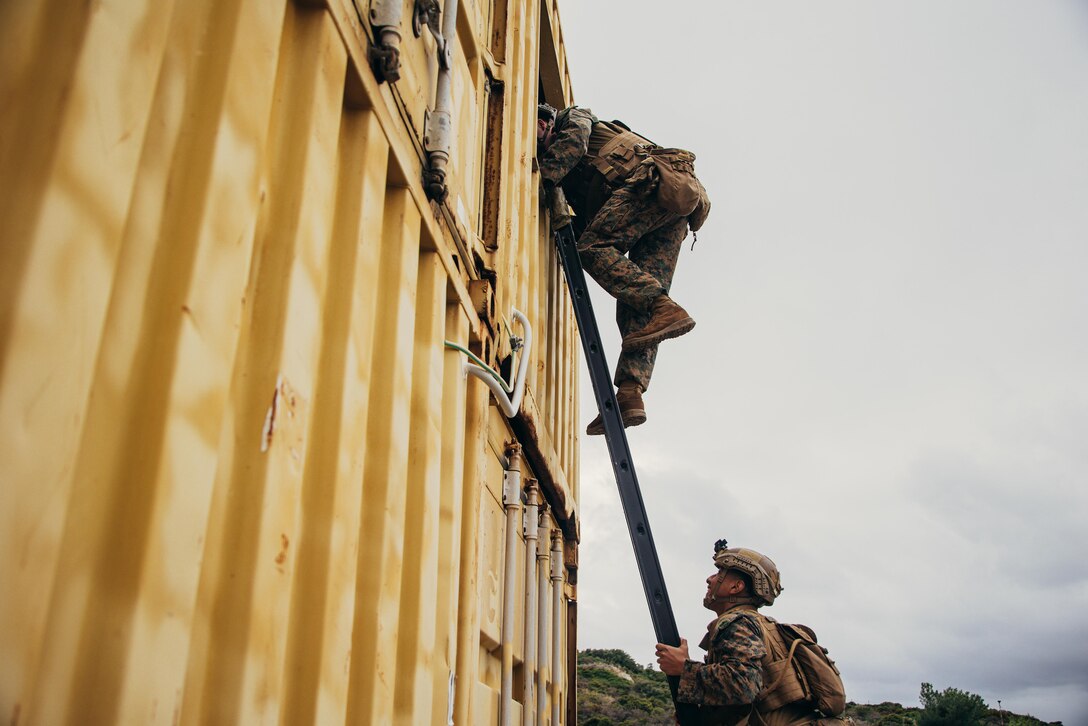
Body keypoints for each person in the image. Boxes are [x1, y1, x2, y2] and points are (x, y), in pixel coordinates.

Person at [536, 103, 709, 435]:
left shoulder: (574, 117)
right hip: (669, 210)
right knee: (637, 301)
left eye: (537, 130)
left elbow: (574, 142)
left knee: (593, 249)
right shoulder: (576, 179)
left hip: (651, 186)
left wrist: (541, 178)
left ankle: (662, 306)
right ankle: (631, 393)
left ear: (545, 121)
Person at [655, 542, 833, 725]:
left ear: (736, 587)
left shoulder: (738, 622)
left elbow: (742, 684)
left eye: (719, 573)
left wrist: (684, 669)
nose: (710, 579)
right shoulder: (763, 625)